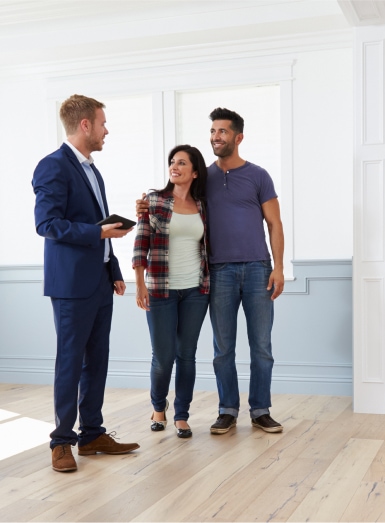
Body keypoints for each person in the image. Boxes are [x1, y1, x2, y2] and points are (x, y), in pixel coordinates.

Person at [136, 107, 285, 435]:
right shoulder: (203, 178)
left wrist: (278, 267)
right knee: (223, 348)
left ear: (238, 137)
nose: (216, 137)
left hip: (259, 268)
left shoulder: (259, 176)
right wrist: (145, 204)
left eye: (223, 131)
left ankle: (260, 409)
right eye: (213, 131)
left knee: (261, 345)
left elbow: (274, 224)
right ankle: (227, 410)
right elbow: (173, 200)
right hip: (218, 272)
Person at [32, 94, 140, 473]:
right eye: (102, 123)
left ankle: (91, 434)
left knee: (97, 361)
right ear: (85, 125)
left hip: (99, 281)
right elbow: (47, 225)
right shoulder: (52, 167)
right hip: (71, 284)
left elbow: (99, 227)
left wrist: (113, 271)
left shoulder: (93, 170)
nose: (106, 129)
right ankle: (61, 441)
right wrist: (98, 234)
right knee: (70, 361)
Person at [132, 145, 210, 439]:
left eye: (181, 163)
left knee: (186, 355)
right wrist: (140, 284)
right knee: (163, 357)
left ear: (195, 171)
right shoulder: (154, 201)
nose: (174, 167)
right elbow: (141, 245)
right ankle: (157, 408)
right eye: (172, 162)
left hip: (196, 291)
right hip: (160, 290)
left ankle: (181, 415)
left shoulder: (204, 205)